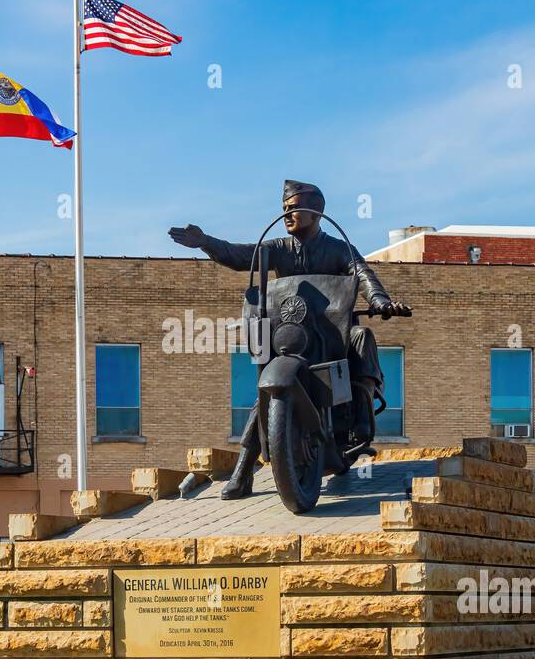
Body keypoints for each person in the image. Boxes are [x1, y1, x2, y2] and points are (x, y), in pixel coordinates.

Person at [169, 179, 411, 499]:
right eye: (284, 208)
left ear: (315, 212)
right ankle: (244, 470)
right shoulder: (277, 250)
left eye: (294, 208)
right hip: (292, 335)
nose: (287, 214)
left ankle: (362, 417)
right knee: (265, 393)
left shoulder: (339, 249)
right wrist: (205, 242)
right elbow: (240, 256)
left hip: (331, 333)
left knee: (362, 335)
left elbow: (363, 274)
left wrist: (380, 302)